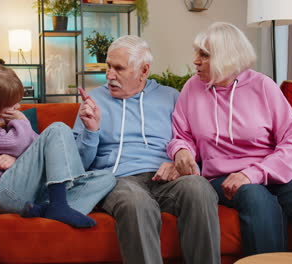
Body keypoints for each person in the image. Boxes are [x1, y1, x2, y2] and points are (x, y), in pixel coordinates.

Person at [167, 22, 292, 256]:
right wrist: (181, 151)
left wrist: (253, 173)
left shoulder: (262, 86)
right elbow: (181, 135)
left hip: (270, 170)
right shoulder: (192, 88)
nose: (195, 60)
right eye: (197, 53)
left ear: (226, 57)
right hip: (222, 176)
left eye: (204, 55)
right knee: (255, 196)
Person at [73, 35, 220, 264]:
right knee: (136, 202)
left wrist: (178, 162)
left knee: (198, 187)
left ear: (143, 70)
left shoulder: (171, 97)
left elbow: (193, 142)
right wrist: (91, 131)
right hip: (117, 179)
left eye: (119, 68)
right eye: (108, 67)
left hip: (165, 176)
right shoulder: (93, 101)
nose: (110, 75)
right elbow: (78, 163)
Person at [0, 64, 115, 228]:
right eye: (11, 104)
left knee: (107, 178)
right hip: (3, 192)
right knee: (58, 129)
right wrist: (21, 120)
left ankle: (46, 209)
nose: (17, 107)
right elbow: (18, 144)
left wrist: (17, 159)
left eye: (17, 102)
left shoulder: (3, 118)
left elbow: (38, 145)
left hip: (29, 192)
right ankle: (59, 205)